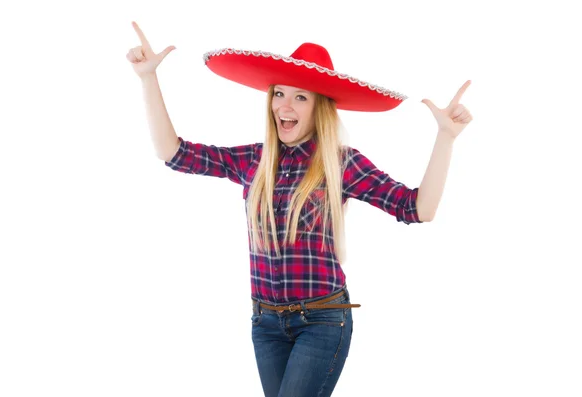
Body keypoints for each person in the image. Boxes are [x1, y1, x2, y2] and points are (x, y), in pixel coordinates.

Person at [126, 21, 472, 397]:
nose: (284, 106)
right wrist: (148, 79)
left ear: (319, 107)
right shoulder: (254, 161)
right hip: (266, 324)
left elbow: (417, 208)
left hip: (321, 321)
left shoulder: (342, 164)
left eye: (300, 97)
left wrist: (446, 138)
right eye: (279, 94)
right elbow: (173, 153)